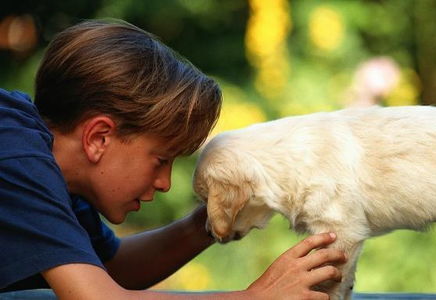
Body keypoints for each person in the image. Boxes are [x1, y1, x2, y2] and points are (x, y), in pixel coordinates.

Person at [0, 19, 347, 300]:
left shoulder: (53, 170)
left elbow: (112, 268)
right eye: (161, 159)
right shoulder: (15, 155)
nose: (164, 183)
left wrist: (211, 221)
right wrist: (255, 298)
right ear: (99, 138)